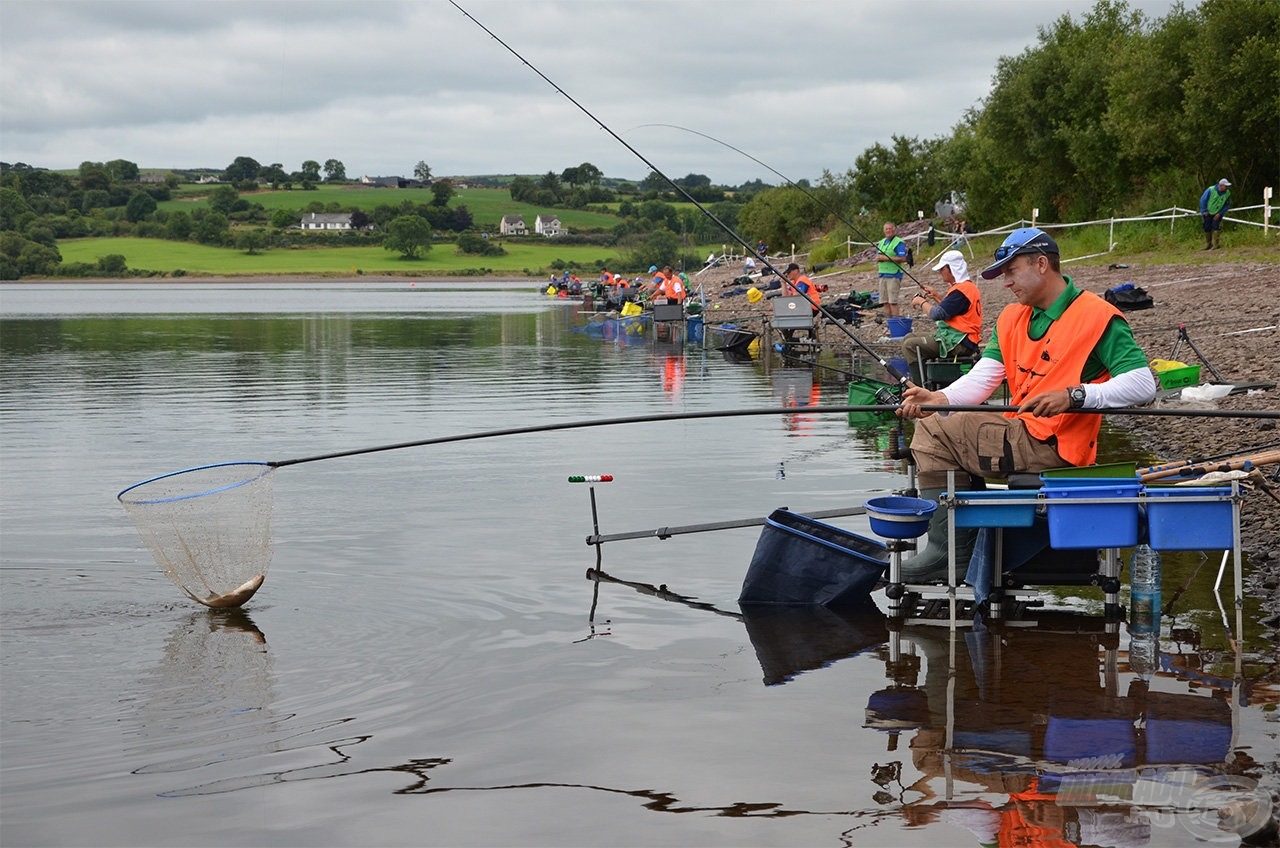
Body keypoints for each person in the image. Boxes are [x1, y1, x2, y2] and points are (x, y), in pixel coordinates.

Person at [894, 227, 1157, 582]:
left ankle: (948, 555)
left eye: (1011, 271)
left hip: (1056, 447)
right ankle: (968, 546)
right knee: (936, 420)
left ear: (1042, 264)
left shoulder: (1097, 316)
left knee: (932, 433)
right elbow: (984, 377)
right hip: (1018, 432)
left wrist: (1074, 395)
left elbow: (1143, 384)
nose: (1005, 282)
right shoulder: (1012, 317)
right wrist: (938, 398)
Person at [900, 249, 983, 385]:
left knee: (910, 346)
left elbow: (937, 314)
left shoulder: (961, 291)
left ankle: (919, 389)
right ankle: (926, 380)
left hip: (961, 342)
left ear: (952, 269)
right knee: (909, 337)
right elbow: (951, 311)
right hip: (961, 338)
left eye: (942, 268)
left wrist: (921, 302)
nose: (940, 272)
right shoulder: (966, 288)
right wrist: (937, 297)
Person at [875, 222, 909, 318]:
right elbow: (878, 256)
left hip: (894, 275)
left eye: (890, 229)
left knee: (892, 302)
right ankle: (890, 324)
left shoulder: (899, 242)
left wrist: (885, 258)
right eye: (886, 229)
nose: (888, 231)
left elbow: (903, 258)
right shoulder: (881, 242)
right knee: (885, 302)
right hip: (882, 275)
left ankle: (896, 323)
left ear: (894, 230)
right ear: (884, 230)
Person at [781, 262, 821, 342]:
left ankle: (793, 340)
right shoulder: (794, 283)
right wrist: (783, 283)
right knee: (788, 321)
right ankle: (790, 340)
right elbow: (786, 297)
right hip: (803, 308)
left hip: (812, 307)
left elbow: (797, 297)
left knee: (789, 321)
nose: (787, 275)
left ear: (795, 271)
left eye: (789, 273)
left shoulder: (802, 281)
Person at [1199, 178, 1232, 250]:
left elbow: (1227, 205)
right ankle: (1208, 244)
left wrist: (1220, 213)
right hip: (1207, 212)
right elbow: (1203, 200)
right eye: (1226, 186)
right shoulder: (1210, 190)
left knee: (1216, 226)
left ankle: (1216, 245)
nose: (1227, 188)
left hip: (1218, 213)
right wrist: (1204, 210)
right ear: (1221, 185)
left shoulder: (1227, 193)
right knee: (1206, 227)